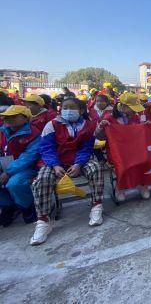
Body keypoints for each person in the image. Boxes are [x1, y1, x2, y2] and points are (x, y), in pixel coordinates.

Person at [30, 97, 103, 245]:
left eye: (72, 107)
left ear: (81, 110)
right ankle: (43, 221)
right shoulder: (52, 125)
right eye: (65, 107)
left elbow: (86, 148)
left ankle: (96, 205)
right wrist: (55, 165)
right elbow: (46, 148)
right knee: (42, 180)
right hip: (54, 162)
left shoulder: (87, 125)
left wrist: (78, 164)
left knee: (96, 169)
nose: (68, 110)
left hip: (78, 160)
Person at [95, 93, 151, 202]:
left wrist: (146, 126)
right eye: (132, 108)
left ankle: (142, 184)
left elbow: (139, 132)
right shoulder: (109, 118)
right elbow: (99, 137)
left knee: (145, 159)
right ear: (123, 106)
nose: (135, 111)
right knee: (122, 163)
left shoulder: (135, 117)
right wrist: (101, 127)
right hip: (116, 152)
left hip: (134, 150)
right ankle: (120, 187)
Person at [0, 106, 40, 227]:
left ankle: (27, 208)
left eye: (13, 116)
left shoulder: (33, 133)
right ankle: (8, 206)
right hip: (4, 166)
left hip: (28, 168)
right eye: (6, 116)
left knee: (15, 183)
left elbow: (28, 157)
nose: (8, 119)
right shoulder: (2, 131)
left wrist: (7, 172)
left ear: (25, 118)